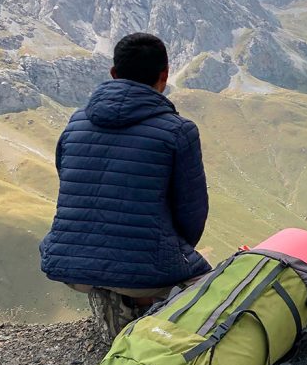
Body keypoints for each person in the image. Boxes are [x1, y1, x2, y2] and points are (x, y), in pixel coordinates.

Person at [40, 33, 212, 342]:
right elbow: (192, 215)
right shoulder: (178, 131)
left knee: (126, 266)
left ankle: (113, 296)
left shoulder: (75, 123)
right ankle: (144, 305)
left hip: (69, 263)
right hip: (144, 271)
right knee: (211, 285)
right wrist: (173, 255)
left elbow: (69, 183)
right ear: (165, 75)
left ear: (114, 74)